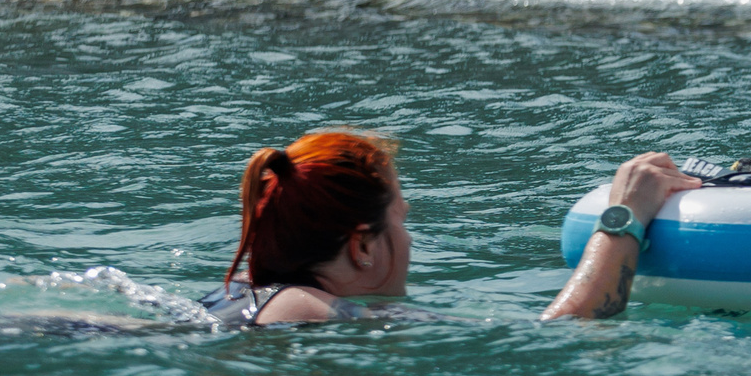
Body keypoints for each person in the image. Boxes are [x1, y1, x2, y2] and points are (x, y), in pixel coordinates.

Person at [206, 133, 699, 327]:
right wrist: (623, 218)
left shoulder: (238, 299)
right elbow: (555, 335)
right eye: (401, 219)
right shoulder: (313, 310)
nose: (409, 238)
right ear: (361, 245)